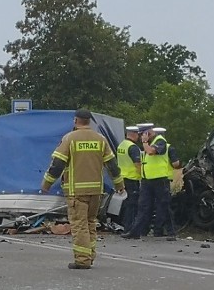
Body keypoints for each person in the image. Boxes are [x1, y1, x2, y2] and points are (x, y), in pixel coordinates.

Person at [41, 109, 124, 269]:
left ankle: (82, 260)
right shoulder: (101, 139)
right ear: (89, 121)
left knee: (79, 225)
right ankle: (90, 255)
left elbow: (57, 165)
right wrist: (119, 185)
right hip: (96, 191)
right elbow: (112, 166)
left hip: (76, 192)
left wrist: (46, 184)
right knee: (90, 222)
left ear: (75, 120)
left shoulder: (69, 139)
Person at [122, 125, 171, 239]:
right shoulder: (146, 143)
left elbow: (151, 152)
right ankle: (136, 232)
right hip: (147, 180)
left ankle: (170, 232)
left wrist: (144, 142)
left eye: (143, 134)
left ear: (148, 133)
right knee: (143, 206)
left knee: (163, 205)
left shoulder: (160, 141)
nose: (140, 137)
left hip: (160, 179)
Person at [115, 125, 142, 232]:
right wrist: (143, 176)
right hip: (132, 178)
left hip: (122, 178)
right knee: (132, 204)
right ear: (134, 134)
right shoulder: (133, 147)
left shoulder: (121, 145)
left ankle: (125, 225)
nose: (139, 137)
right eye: (138, 135)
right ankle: (129, 228)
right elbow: (137, 164)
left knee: (126, 203)